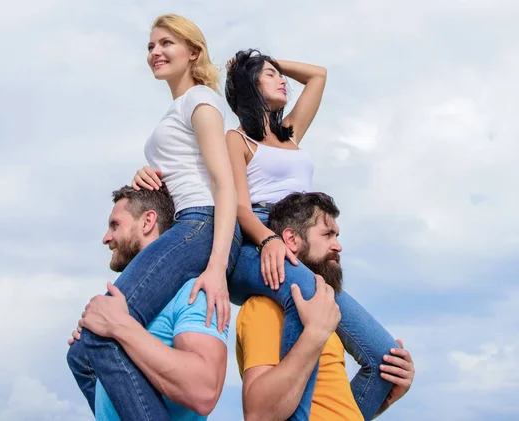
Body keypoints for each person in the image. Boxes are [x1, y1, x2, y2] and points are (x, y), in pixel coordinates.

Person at [66, 15, 241, 421]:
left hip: (201, 225)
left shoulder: (201, 100)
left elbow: (224, 184)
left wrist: (216, 268)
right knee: (82, 354)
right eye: (150, 46)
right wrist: (147, 178)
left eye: (167, 43)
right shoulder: (177, 109)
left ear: (193, 52)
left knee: (100, 331)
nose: (155, 53)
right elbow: (184, 172)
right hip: (187, 223)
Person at [236, 192, 415, 421]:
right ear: (291, 240)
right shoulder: (264, 308)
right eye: (328, 234)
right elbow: (259, 414)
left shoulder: (325, 315)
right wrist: (313, 335)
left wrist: (387, 395)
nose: (338, 246)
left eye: (337, 236)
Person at [69, 185, 229, 420]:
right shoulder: (126, 301)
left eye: (115, 225)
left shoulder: (194, 292)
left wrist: (121, 327)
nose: (106, 238)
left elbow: (204, 392)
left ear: (147, 222)